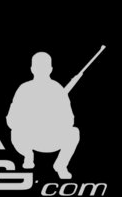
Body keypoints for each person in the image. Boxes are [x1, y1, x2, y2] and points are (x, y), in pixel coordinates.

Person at [8, 52, 81, 180]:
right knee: (15, 132)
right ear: (50, 69)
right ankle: (28, 155)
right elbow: (12, 120)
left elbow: (69, 121)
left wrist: (51, 119)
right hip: (29, 138)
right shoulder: (24, 89)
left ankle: (60, 165)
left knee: (74, 132)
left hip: (51, 139)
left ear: (32, 69)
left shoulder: (57, 89)